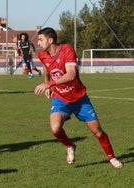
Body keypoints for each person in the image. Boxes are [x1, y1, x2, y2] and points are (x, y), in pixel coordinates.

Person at [34, 27, 123, 168]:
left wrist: (49, 83)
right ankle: (70, 146)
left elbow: (71, 74)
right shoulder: (42, 55)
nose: (38, 43)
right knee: (55, 128)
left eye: (40, 39)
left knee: (98, 132)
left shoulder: (67, 50)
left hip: (79, 99)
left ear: (50, 40)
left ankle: (112, 158)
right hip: (60, 98)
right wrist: (48, 84)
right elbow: (47, 68)